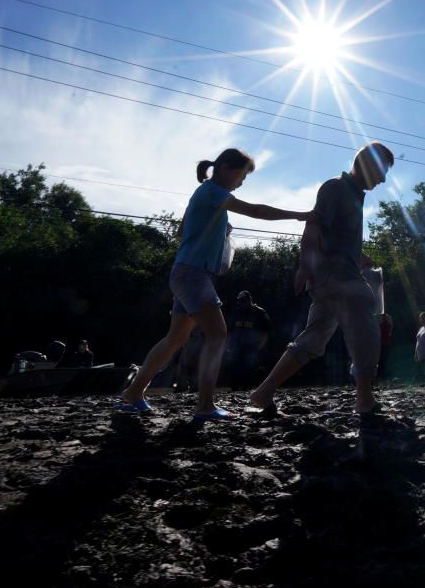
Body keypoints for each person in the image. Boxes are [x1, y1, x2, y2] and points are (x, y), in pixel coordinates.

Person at [116, 148, 314, 420]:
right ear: (224, 168)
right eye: (242, 176)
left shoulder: (205, 195)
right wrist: (298, 215)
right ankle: (205, 405)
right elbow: (254, 210)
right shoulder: (213, 192)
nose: (242, 182)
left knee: (176, 338)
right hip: (194, 274)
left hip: (186, 273)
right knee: (218, 335)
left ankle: (134, 393)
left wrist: (217, 227)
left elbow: (182, 229)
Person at [249, 142, 395, 415]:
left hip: (331, 278)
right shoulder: (336, 188)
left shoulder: (351, 193)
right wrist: (304, 266)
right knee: (366, 327)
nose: (383, 178)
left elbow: (334, 232)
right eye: (382, 170)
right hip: (337, 277)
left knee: (313, 339)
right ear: (367, 164)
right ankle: (364, 400)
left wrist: (359, 254)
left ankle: (264, 391)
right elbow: (313, 224)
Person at [226, 291, 272, 390]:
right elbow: (230, 330)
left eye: (244, 301)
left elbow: (267, 332)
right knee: (234, 367)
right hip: (236, 346)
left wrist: (260, 346)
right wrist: (228, 345)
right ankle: (234, 388)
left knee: (250, 368)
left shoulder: (260, 313)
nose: (242, 304)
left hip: (252, 347)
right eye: (240, 301)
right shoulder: (237, 312)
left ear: (249, 300)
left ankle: (248, 388)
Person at [377, 313, 394, 381]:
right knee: (378, 360)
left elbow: (391, 330)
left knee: (384, 360)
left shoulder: (388, 317)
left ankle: (382, 376)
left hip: (385, 342)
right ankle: (378, 376)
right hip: (377, 343)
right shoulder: (375, 317)